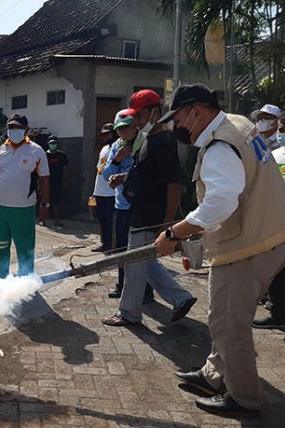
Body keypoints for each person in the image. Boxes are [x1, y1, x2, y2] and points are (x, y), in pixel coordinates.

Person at [156, 84, 285, 417]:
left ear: (196, 111)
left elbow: (219, 204)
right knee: (220, 313)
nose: (181, 128)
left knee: (231, 323)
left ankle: (243, 398)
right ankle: (214, 375)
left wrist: (174, 232)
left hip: (251, 243)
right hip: (264, 233)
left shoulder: (219, 146)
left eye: (181, 119)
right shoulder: (239, 123)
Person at [102, 89, 196, 327]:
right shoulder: (150, 140)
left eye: (140, 116)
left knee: (134, 264)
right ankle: (181, 298)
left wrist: (167, 223)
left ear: (156, 112)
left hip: (150, 217)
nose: (136, 122)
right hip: (143, 211)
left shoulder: (162, 142)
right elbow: (148, 176)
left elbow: (173, 183)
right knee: (147, 262)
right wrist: (124, 177)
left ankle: (129, 313)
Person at [0, 114, 50, 278]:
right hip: (0, 209)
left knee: (25, 249)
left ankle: (25, 284)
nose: (13, 130)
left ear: (25, 129)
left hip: (24, 210)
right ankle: (0, 280)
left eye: (17, 127)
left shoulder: (36, 151)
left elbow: (44, 181)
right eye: (10, 127)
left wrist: (45, 205)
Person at [101, 110, 154, 302]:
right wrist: (117, 159)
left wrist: (125, 175)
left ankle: (146, 291)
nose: (123, 133)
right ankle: (122, 285)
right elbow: (106, 175)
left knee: (141, 252)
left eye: (126, 128)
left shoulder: (147, 143)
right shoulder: (117, 147)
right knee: (121, 249)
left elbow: (149, 174)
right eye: (119, 130)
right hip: (121, 206)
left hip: (141, 206)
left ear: (136, 126)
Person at [252, 109, 285, 344]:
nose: (284, 133)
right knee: (278, 272)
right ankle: (277, 316)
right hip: (278, 224)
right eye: (282, 130)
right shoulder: (276, 155)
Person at [92, 124, 117, 252]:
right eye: (104, 135)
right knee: (102, 220)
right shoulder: (104, 149)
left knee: (111, 221)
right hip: (100, 190)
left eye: (109, 134)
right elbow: (99, 169)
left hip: (112, 192)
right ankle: (105, 244)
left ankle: (114, 245)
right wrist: (94, 191)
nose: (106, 137)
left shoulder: (119, 148)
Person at [45, 135, 69, 227]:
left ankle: (57, 219)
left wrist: (66, 181)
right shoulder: (44, 155)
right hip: (46, 181)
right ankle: (43, 219)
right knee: (45, 200)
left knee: (57, 201)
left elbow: (65, 169)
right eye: (51, 143)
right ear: (48, 143)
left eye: (54, 143)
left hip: (57, 181)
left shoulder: (62, 155)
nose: (53, 145)